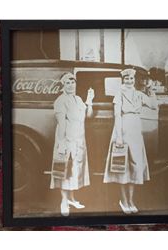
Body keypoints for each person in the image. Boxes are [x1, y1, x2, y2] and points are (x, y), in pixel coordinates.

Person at [103, 68, 158, 214]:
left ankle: (131, 200)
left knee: (135, 165)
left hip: (135, 130)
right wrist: (119, 136)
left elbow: (153, 105)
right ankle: (124, 200)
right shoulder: (119, 94)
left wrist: (151, 89)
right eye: (126, 79)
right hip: (123, 129)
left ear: (134, 80)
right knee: (123, 165)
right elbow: (117, 115)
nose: (129, 81)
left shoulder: (139, 94)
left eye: (131, 79)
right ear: (123, 80)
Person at [50, 72, 94, 216]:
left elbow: (88, 116)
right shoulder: (60, 101)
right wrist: (62, 144)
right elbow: (62, 124)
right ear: (63, 84)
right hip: (67, 140)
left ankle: (71, 198)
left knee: (74, 170)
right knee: (65, 170)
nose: (70, 85)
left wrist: (90, 100)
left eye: (72, 82)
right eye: (67, 83)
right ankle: (63, 201)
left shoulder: (78, 99)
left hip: (79, 140)